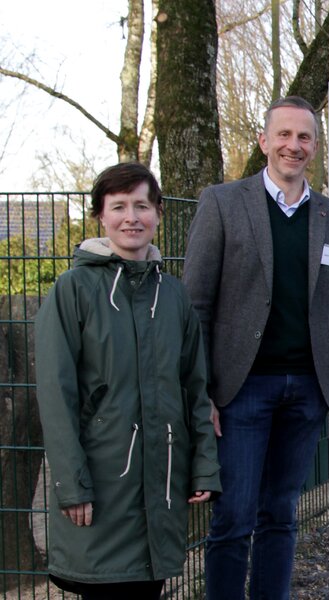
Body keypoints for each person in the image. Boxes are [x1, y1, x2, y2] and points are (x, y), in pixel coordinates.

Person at [184, 96, 329, 599]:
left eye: (304, 136)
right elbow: (194, 308)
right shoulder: (222, 203)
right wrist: (200, 398)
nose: (294, 145)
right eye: (283, 135)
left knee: (281, 515)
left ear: (315, 145)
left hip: (306, 391)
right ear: (264, 141)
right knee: (234, 517)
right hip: (241, 391)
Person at [36, 163, 220, 599]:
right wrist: (71, 484)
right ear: (101, 215)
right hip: (101, 485)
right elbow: (56, 395)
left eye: (142, 205)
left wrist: (205, 468)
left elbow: (196, 390)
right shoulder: (73, 289)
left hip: (162, 485)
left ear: (158, 213)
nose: (131, 217)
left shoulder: (173, 295)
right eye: (119, 206)